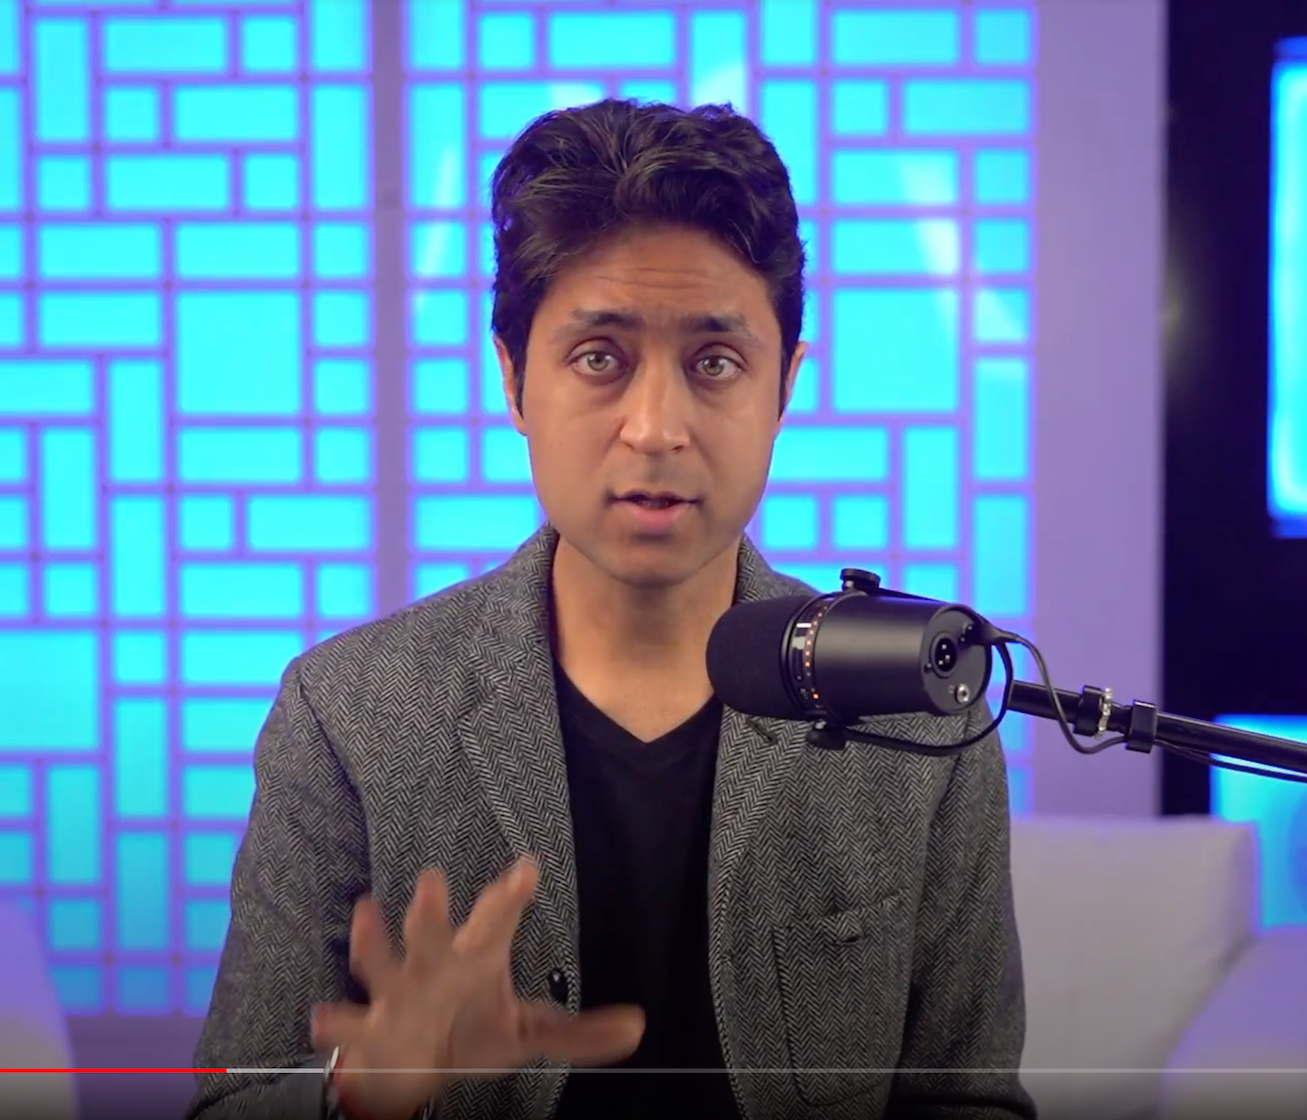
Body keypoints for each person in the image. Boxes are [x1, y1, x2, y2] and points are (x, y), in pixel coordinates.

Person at [187, 98, 1036, 1120]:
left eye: (714, 363)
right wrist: (359, 1095)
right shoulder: (350, 714)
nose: (655, 427)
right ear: (513, 379)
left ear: (784, 386)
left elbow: (968, 1098)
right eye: (600, 357)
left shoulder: (914, 706)